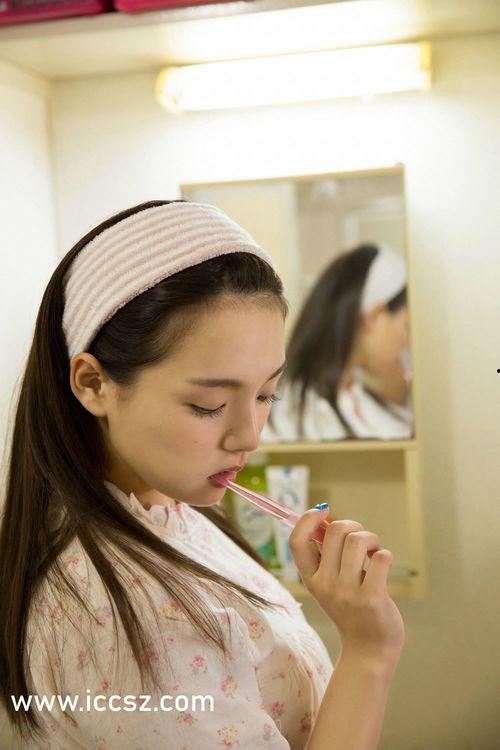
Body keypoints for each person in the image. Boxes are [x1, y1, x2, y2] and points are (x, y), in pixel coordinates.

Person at [0, 200, 404, 750]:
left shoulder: (170, 509)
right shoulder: (125, 621)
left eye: (266, 395)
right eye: (209, 405)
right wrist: (369, 652)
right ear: (94, 384)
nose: (249, 437)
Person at [262, 244, 413, 443]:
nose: (408, 342)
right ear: (375, 316)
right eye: (406, 326)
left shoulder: (362, 401)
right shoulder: (293, 413)